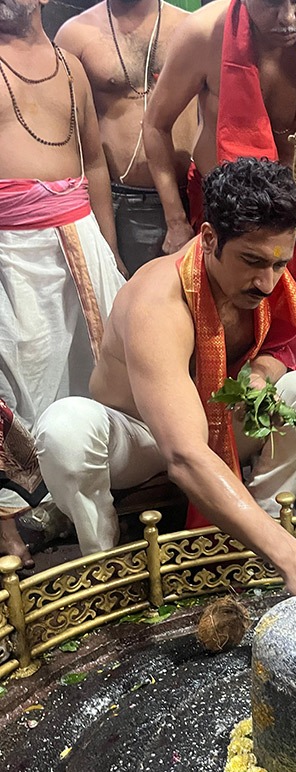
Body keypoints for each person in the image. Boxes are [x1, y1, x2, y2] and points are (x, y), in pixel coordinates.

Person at [35, 158, 296, 602]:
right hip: (140, 439)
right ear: (209, 238)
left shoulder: (266, 277)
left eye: (279, 264)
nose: (268, 283)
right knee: (64, 430)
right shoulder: (160, 299)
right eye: (251, 261)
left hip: (216, 421)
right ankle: (107, 569)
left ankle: (257, 533)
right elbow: (185, 455)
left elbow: (286, 343)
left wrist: (261, 373)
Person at [142, 0, 296, 368]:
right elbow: (155, 125)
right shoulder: (203, 33)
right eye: (272, 4)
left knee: (295, 343)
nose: (288, 19)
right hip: (225, 219)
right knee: (222, 331)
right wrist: (176, 223)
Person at [0, 0, 125, 566]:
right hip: (9, 250)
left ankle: (84, 503)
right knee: (14, 380)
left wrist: (111, 251)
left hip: (80, 241)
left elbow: (94, 162)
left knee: (96, 374)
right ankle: (11, 525)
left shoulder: (69, 64)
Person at [55, 0, 196, 276]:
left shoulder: (191, 27)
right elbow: (69, 138)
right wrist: (106, 241)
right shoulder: (75, 36)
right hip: (120, 207)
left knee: (193, 310)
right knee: (126, 305)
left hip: (193, 198)